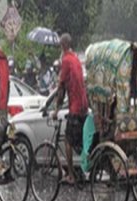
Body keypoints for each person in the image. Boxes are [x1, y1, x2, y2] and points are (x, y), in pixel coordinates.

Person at [53, 33, 89, 185]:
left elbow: (61, 89)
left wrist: (56, 109)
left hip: (75, 108)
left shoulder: (66, 60)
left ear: (62, 46)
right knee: (79, 142)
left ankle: (71, 176)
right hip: (84, 107)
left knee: (68, 141)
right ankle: (82, 168)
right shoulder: (76, 59)